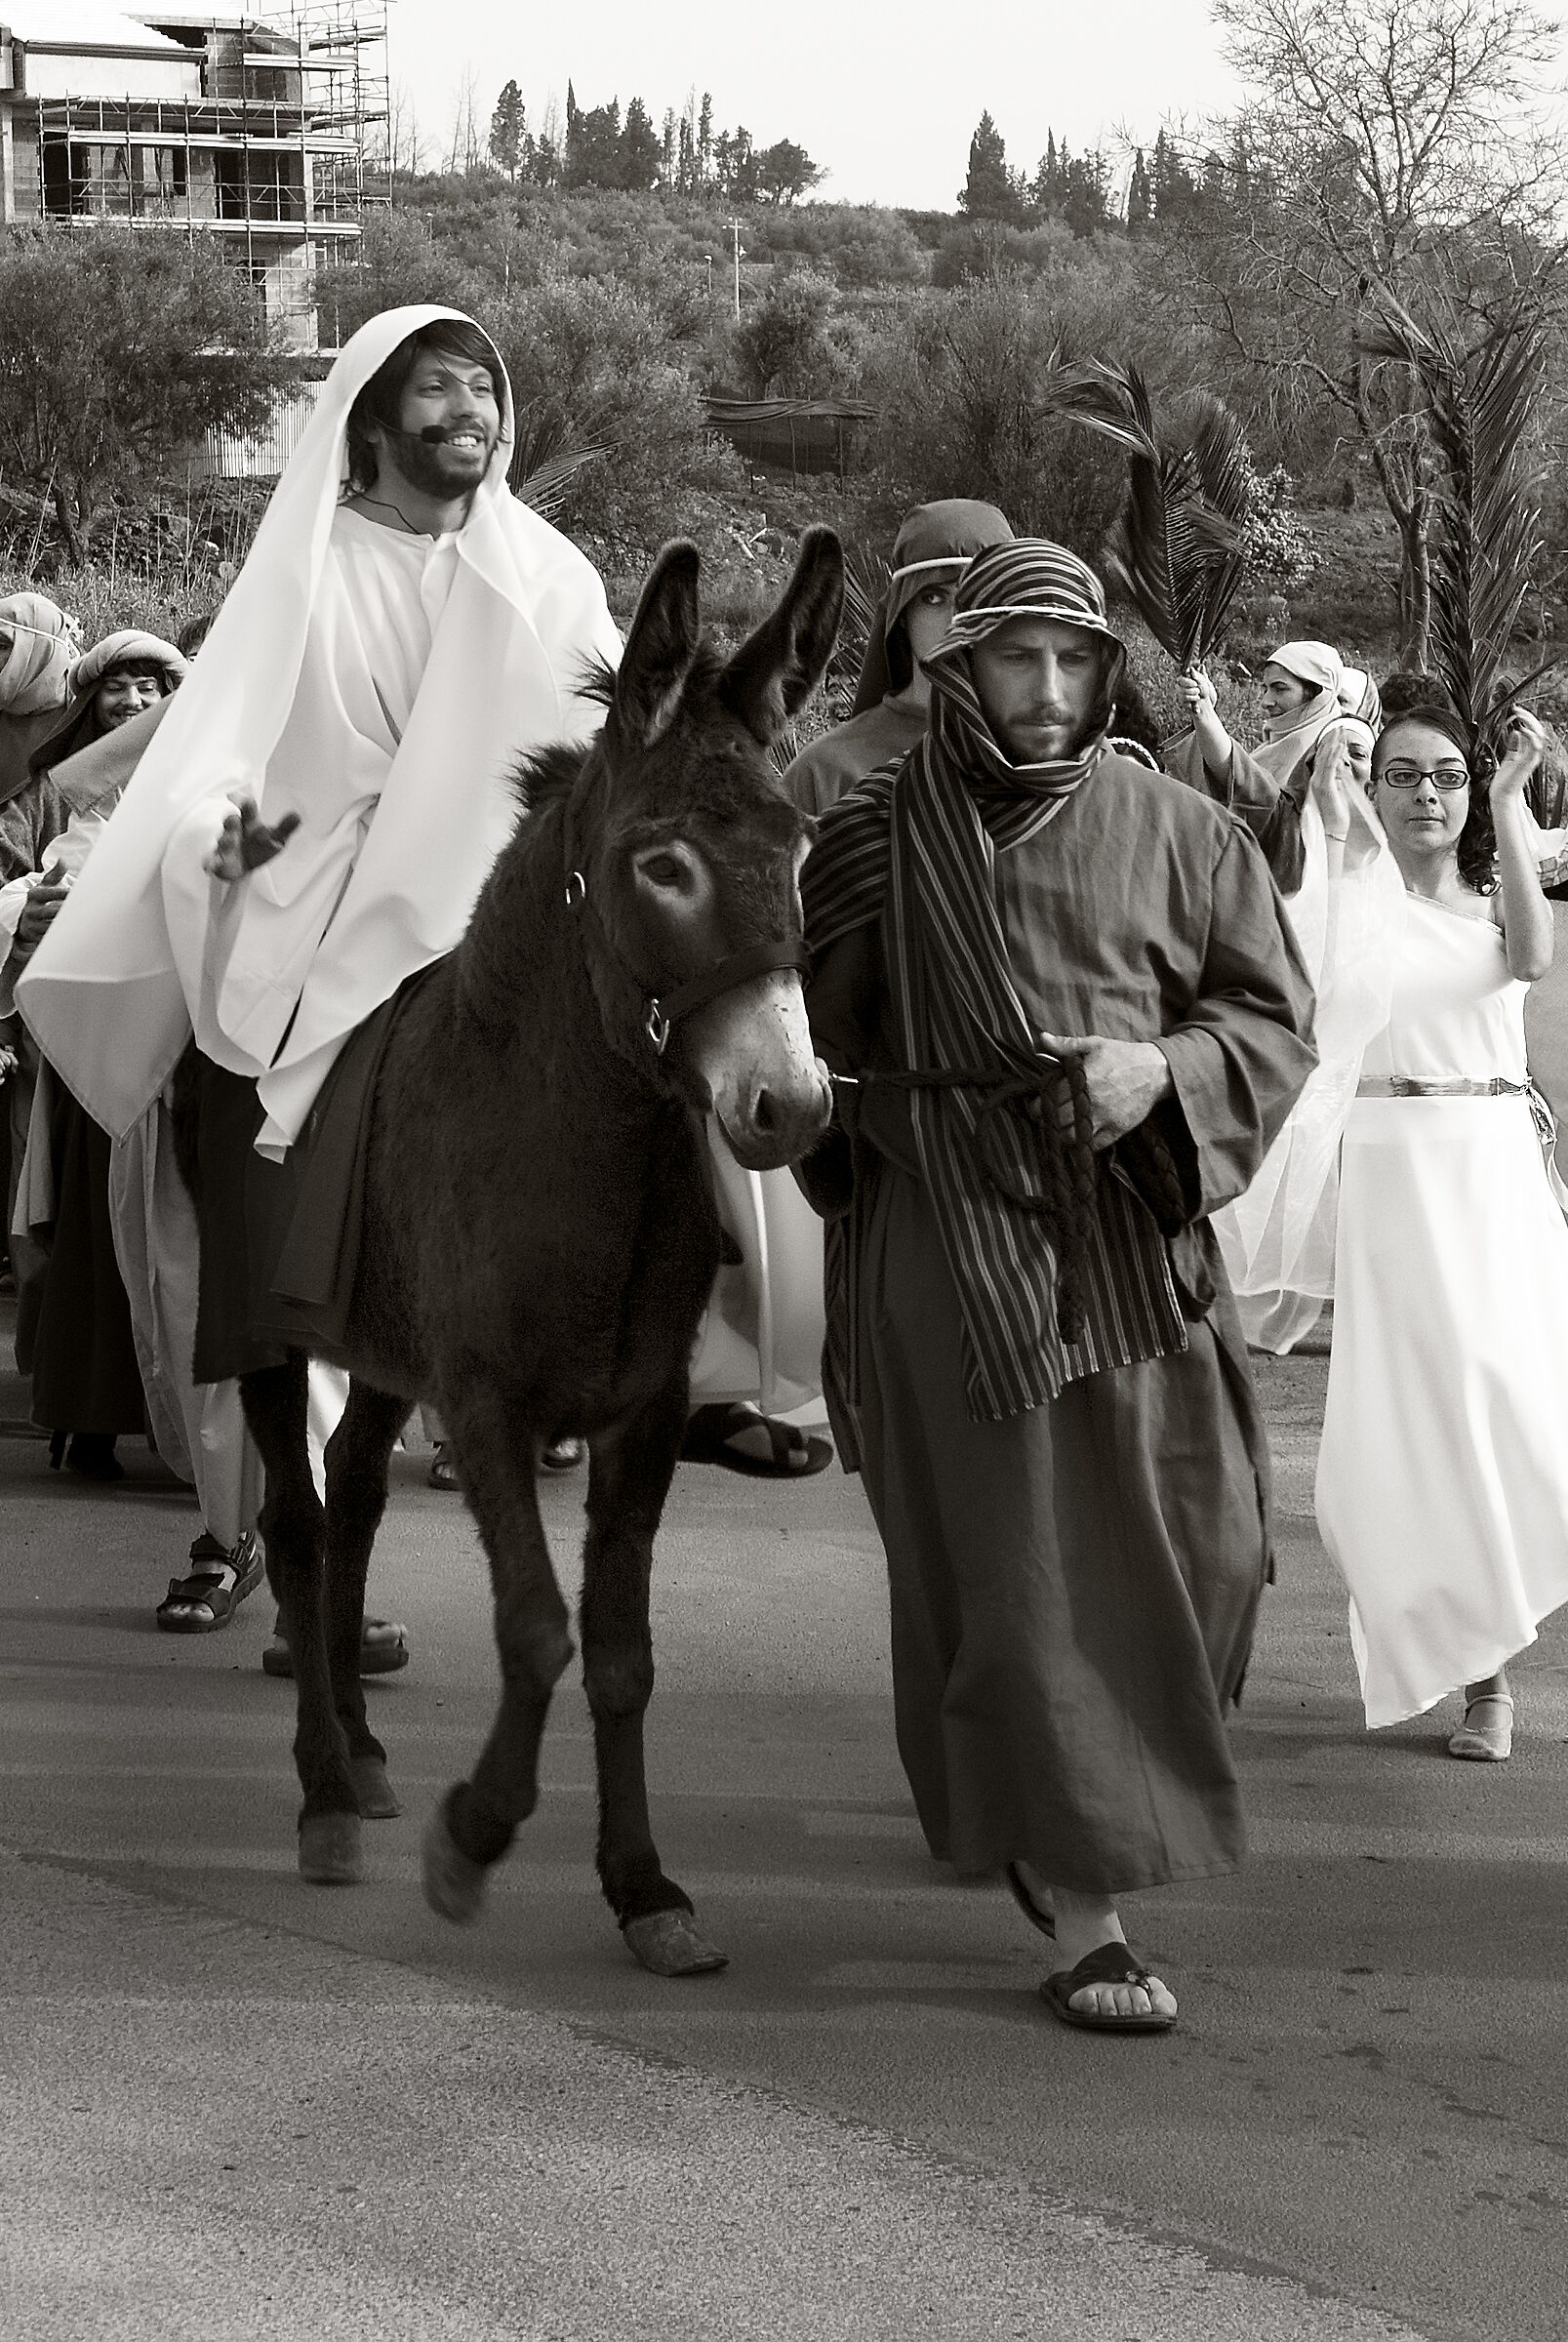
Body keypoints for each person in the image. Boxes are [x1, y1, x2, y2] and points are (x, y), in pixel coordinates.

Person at [18, 306, 623, 1647]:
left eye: (482, 386)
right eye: (435, 387)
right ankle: (276, 1563)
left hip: (492, 966)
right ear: (370, 416)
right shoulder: (309, 570)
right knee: (278, 1296)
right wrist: (247, 864)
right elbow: (230, 780)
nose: (468, 409)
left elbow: (608, 763)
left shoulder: (548, 576)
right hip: (310, 964)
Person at [800, 540, 1316, 2031]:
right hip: (952, 1248)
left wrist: (1159, 1069)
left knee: (1214, 1547)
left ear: (1104, 672)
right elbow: (812, 1049)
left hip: (1136, 1241)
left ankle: (1057, 1798)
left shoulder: (1185, 830)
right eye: (1013, 656)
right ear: (958, 666)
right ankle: (1086, 1906)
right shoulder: (867, 835)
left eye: (1070, 659)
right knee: (1025, 1583)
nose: (1043, 686)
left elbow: (1270, 1019)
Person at [1315, 704, 1568, 1759]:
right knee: (1414, 1421)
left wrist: (1510, 796)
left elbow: (1532, 960)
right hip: (1386, 1168)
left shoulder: (1497, 897)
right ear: (1373, 787)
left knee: (1505, 1405)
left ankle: (1487, 1646)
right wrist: (1329, 816)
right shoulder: (1343, 898)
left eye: (1448, 775)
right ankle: (1473, 1674)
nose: (1426, 792)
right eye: (1403, 774)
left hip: (1489, 1165)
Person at [3, 632, 187, 1481]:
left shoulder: (210, 793)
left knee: (183, 1244)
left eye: (154, 687)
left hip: (190, 1051)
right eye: (120, 686)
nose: (135, 703)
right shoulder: (68, 798)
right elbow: (43, 895)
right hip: (94, 1059)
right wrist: (27, 919)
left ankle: (203, 1441)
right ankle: (89, 1417)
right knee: (93, 1235)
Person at [782, 500, 1014, 819]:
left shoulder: (1050, 760)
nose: (956, 620)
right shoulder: (823, 775)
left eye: (978, 597)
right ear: (902, 615)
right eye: (934, 598)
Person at [1164, 638, 1359, 890]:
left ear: (1316, 694)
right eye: (1265, 688)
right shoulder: (1272, 749)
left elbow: (1248, 786)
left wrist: (1205, 714)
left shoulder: (1331, 758)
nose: (1266, 701)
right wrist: (1205, 713)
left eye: (1280, 689)